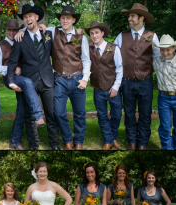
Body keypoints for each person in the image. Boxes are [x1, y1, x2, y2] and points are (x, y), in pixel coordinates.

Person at [7, 5, 60, 150]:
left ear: (37, 17)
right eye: (25, 17)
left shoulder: (48, 34)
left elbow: (66, 29)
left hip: (48, 81)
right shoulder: (20, 40)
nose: (28, 19)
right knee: (29, 116)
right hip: (29, 81)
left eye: (30, 16)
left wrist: (79, 32)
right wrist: (11, 82)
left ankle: (55, 145)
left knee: (51, 114)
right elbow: (12, 62)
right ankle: (34, 145)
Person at [114, 3, 161, 150]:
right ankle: (132, 141)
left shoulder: (152, 36)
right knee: (128, 113)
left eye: (132, 16)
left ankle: (142, 143)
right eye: (129, 16)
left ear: (141, 18)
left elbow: (158, 59)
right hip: (127, 82)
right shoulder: (121, 36)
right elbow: (111, 55)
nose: (129, 18)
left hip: (145, 82)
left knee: (145, 114)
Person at [0, 19, 45, 150]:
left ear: (18, 30)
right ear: (5, 30)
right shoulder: (0, 46)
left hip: (23, 77)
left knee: (22, 109)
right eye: (9, 30)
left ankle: (14, 141)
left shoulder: (22, 40)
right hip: (10, 77)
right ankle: (39, 115)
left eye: (14, 30)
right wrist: (10, 70)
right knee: (28, 82)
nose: (11, 32)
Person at [47, 6, 91, 150]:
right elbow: (35, 28)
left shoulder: (81, 37)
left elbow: (86, 59)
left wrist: (85, 78)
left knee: (79, 113)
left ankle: (78, 141)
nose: (65, 20)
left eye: (68, 18)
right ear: (60, 19)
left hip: (77, 78)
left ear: (73, 20)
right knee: (59, 112)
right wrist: (22, 30)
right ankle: (67, 140)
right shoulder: (53, 32)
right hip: (59, 79)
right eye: (63, 17)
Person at [85, 21, 123, 150]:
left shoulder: (113, 48)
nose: (94, 35)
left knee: (117, 115)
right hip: (97, 88)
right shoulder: (88, 48)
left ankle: (112, 137)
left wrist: (116, 87)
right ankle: (109, 140)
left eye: (96, 32)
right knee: (101, 116)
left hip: (112, 88)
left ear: (102, 33)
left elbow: (119, 69)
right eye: (91, 33)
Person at [153, 34, 176, 150]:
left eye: (168, 50)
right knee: (165, 126)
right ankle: (167, 148)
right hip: (163, 97)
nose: (165, 52)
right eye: (162, 50)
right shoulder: (156, 61)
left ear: (174, 48)